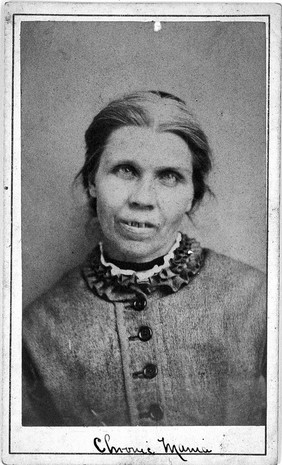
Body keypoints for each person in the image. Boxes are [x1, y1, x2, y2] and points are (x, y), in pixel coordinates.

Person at [22, 90, 266, 426]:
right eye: (125, 170)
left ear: (191, 196)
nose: (143, 199)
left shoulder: (259, 301)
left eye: (169, 177)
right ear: (93, 181)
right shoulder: (37, 329)